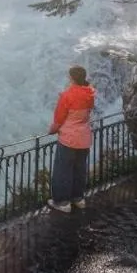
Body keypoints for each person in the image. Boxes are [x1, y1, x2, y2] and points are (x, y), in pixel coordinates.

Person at [47, 65, 96, 213]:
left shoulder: (67, 96)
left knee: (63, 170)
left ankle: (62, 202)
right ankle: (78, 198)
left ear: (72, 78)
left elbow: (59, 119)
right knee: (79, 169)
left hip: (68, 139)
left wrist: (52, 130)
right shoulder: (90, 93)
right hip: (84, 137)